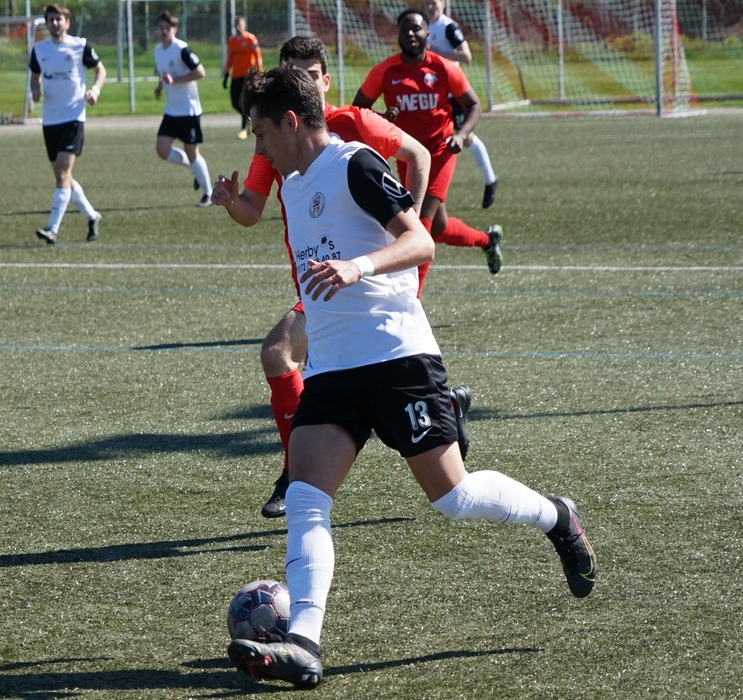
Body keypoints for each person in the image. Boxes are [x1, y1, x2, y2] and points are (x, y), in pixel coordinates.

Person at [226, 66, 598, 689]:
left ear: (291, 122)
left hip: (397, 357)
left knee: (453, 497)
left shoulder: (355, 164)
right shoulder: (292, 186)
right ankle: (303, 645)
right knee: (306, 501)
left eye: (261, 132)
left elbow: (419, 242)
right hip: (333, 368)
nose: (258, 147)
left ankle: (556, 516)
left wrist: (359, 267)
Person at [211, 36, 471, 519]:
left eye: (311, 74)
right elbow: (252, 210)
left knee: (279, 351)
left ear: (325, 81)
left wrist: (401, 230)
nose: (303, 82)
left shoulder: (354, 125)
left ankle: (295, 474)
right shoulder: (276, 141)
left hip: (362, 281)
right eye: (294, 73)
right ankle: (307, 473)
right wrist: (232, 203)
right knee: (295, 367)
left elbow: (418, 155)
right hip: (321, 285)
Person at [352, 9, 502, 290]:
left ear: (427, 34)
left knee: (420, 224)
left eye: (416, 28)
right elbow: (358, 109)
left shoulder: (444, 68)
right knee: (439, 227)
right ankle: (487, 240)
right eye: (405, 29)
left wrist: (461, 134)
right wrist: (384, 118)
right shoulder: (385, 71)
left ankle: (413, 298)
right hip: (407, 155)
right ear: (397, 35)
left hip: (440, 152)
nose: (411, 33)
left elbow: (473, 105)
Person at [29, 3, 105, 245]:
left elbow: (100, 70)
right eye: (50, 19)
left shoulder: (80, 46)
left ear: (67, 23)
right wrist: (35, 90)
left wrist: (95, 90)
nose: (54, 23)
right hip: (50, 120)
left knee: (62, 173)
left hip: (73, 117)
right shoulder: (39, 49)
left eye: (58, 19)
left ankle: (52, 229)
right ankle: (92, 216)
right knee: (64, 177)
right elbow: (34, 77)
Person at [423, 0, 498, 208]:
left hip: (451, 93)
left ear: (443, 4)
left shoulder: (448, 27)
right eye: (427, 3)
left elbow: (466, 55)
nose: (430, 7)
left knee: (465, 137)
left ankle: (490, 180)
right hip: (434, 93)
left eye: (434, 2)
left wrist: (435, 51)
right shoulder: (425, 26)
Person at [154, 10, 213, 208]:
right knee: (162, 149)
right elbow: (165, 75)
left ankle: (208, 194)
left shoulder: (182, 50)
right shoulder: (158, 51)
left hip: (189, 110)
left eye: (167, 28)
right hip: (172, 110)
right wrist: (160, 86)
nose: (164, 31)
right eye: (161, 28)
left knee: (192, 152)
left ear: (175, 29)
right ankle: (195, 169)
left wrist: (176, 80)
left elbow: (200, 72)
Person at [222, 15, 263, 139]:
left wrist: (259, 73)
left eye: (239, 24)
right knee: (235, 102)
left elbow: (258, 57)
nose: (237, 27)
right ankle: (248, 118)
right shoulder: (231, 41)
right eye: (236, 24)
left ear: (244, 25)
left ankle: (243, 128)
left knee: (243, 101)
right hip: (236, 75)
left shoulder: (251, 39)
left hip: (248, 75)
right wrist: (226, 74)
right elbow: (229, 58)